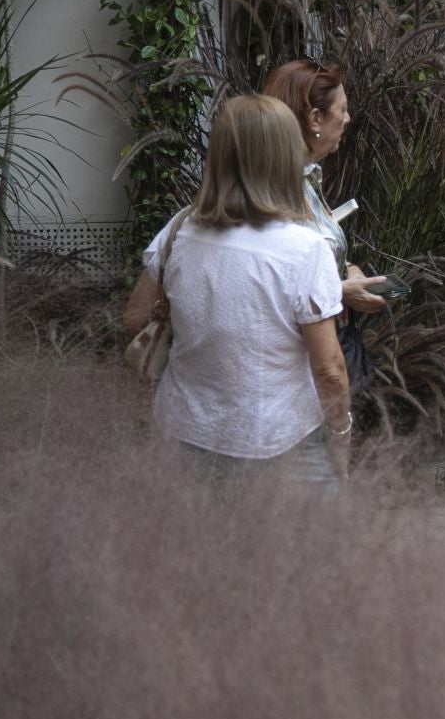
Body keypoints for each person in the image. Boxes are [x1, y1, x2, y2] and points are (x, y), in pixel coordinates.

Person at [122, 94, 352, 486]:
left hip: (184, 434)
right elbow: (329, 369)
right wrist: (342, 434)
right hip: (280, 444)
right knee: (305, 546)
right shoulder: (303, 249)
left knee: (199, 546)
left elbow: (133, 320)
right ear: (284, 158)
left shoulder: (180, 229)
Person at [262, 59, 391, 394]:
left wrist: (349, 269)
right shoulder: (272, 191)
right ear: (316, 118)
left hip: (329, 342)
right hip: (298, 368)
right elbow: (264, 282)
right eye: (343, 109)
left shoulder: (308, 175)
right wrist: (340, 292)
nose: (348, 119)